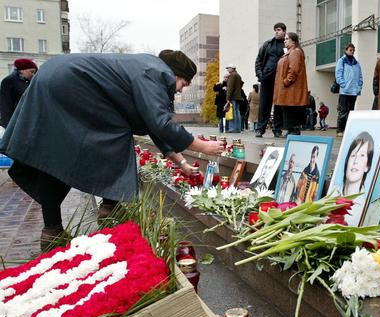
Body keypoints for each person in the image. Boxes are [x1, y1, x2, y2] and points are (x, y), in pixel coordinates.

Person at [0, 50, 225, 250]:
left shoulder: (143, 68)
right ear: (176, 74)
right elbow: (161, 123)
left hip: (54, 77)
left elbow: (155, 128)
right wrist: (203, 146)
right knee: (114, 137)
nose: (181, 91)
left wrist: (183, 164)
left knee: (57, 157)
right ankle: (108, 210)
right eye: (184, 84)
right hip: (71, 85)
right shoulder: (156, 73)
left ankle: (53, 230)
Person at [273, 32, 308, 137]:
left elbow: (293, 70)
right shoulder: (289, 52)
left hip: (291, 89)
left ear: (294, 41)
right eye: (285, 39)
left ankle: (294, 130)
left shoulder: (295, 52)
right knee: (288, 110)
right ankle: (291, 130)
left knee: (292, 110)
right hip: (288, 89)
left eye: (287, 39)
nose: (285, 40)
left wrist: (286, 81)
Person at [255, 22, 287, 138]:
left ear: (284, 31)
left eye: (278, 30)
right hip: (266, 79)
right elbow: (258, 60)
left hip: (280, 80)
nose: (276, 32)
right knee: (264, 105)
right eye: (275, 30)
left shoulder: (287, 45)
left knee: (278, 105)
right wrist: (260, 74)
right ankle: (260, 129)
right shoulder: (267, 44)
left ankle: (277, 130)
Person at [334, 43, 363, 137]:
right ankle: (339, 130)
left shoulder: (356, 63)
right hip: (344, 91)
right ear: (346, 50)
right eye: (350, 50)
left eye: (353, 50)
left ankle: (348, 129)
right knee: (343, 111)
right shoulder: (341, 61)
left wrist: (359, 86)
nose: (352, 52)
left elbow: (360, 76)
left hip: (354, 91)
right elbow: (338, 74)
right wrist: (343, 85)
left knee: (351, 111)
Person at [0, 59, 37, 128]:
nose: (33, 74)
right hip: (15, 123)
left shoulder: (29, 81)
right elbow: (5, 106)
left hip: (27, 120)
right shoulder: (9, 81)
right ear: (22, 70)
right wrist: (8, 126)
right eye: (31, 72)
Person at [225, 64, 243, 133]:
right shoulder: (238, 75)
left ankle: (232, 128)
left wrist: (228, 98)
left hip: (233, 96)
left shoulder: (232, 75)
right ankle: (238, 128)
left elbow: (230, 87)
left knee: (232, 112)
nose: (227, 70)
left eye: (228, 68)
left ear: (232, 68)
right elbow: (241, 84)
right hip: (238, 96)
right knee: (237, 112)